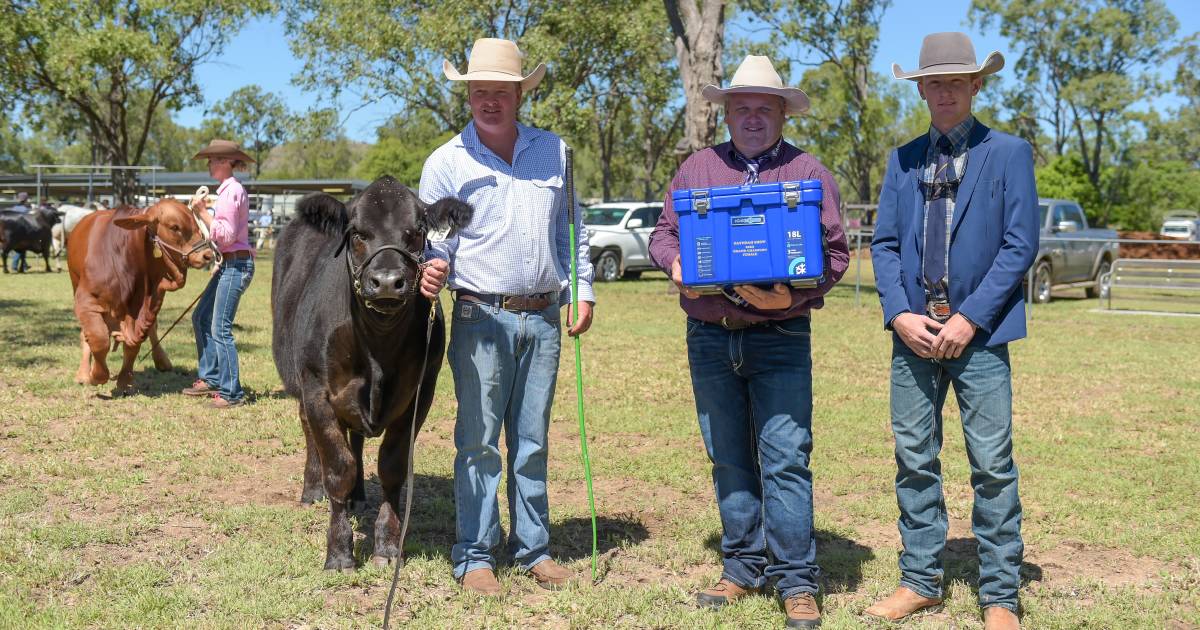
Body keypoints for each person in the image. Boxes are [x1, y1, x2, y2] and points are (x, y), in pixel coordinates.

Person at [648, 55, 849, 629]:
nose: (754, 117)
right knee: (729, 455)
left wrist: (791, 299)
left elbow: (836, 254)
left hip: (781, 334)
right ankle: (741, 566)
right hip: (710, 335)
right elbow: (665, 234)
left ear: (783, 113)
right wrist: (676, 263)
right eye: (743, 108)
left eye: (765, 107)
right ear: (727, 113)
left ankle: (796, 580)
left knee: (786, 457)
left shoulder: (808, 173)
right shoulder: (696, 171)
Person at [866, 33, 1038, 630]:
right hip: (913, 334)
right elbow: (884, 245)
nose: (943, 91)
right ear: (921, 89)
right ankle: (920, 580)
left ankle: (999, 596)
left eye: (955, 82)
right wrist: (898, 313)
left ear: (975, 86)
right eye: (933, 82)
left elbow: (1019, 247)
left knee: (991, 462)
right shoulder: (902, 158)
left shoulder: (1008, 154)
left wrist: (969, 317)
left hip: (981, 337)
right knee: (914, 457)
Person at [417, 37, 595, 595]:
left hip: (544, 317)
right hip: (479, 316)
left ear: (521, 94)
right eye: (479, 92)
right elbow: (437, 241)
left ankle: (533, 549)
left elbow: (573, 230)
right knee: (478, 440)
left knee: (533, 438)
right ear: (467, 95)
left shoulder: (556, 152)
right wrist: (431, 267)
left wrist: (581, 288)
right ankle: (475, 555)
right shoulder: (445, 163)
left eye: (501, 91)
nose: (489, 101)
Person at [181, 139, 257, 409]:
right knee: (202, 317)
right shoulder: (230, 190)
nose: (209, 164)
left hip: (236, 265)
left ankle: (231, 392)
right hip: (231, 263)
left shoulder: (230, 192)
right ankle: (212, 377)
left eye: (213, 159)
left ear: (226, 162)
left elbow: (225, 235)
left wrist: (202, 211)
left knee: (219, 328)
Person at [8, 192, 30, 271]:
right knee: (20, 249)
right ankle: (15, 266)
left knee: (19, 249)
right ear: (26, 200)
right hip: (21, 232)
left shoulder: (13, 208)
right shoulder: (25, 210)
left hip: (12, 232)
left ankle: (24, 265)